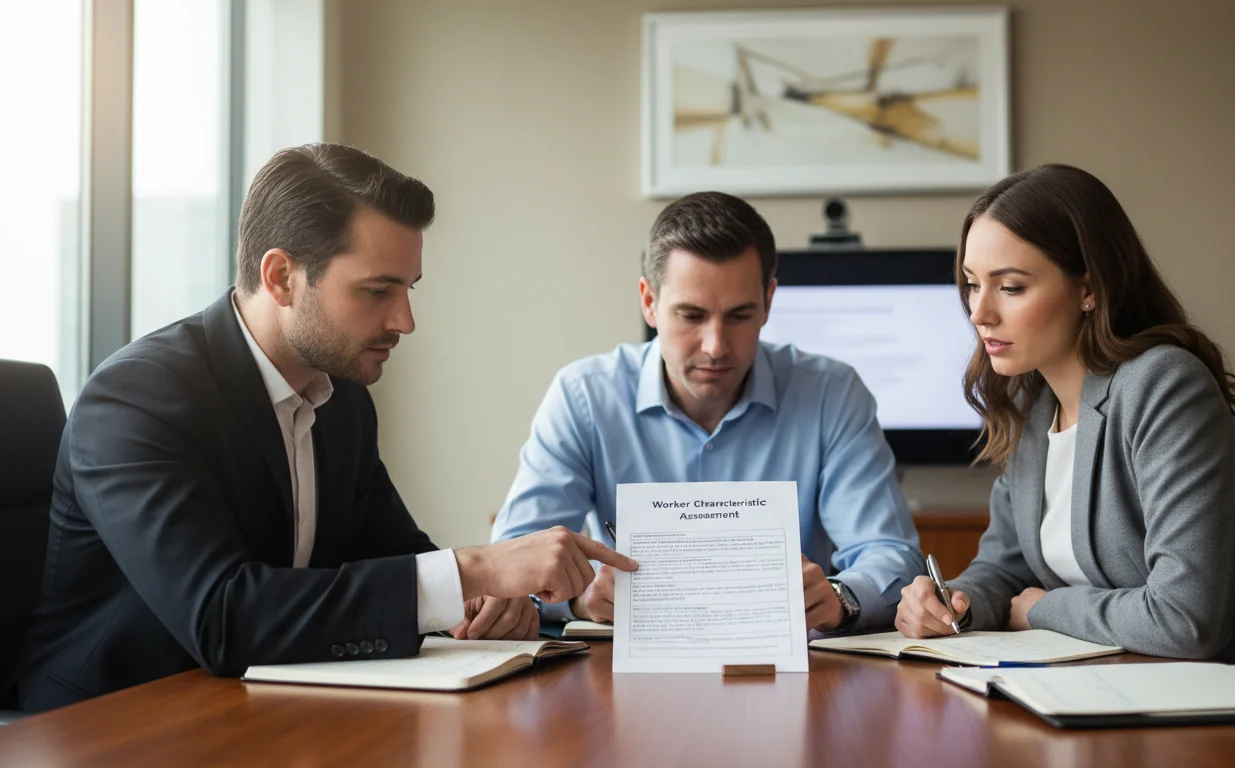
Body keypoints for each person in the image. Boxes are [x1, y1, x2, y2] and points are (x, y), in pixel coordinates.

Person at [17, 143, 634, 713]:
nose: (406, 320)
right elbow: (223, 617)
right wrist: (473, 570)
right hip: (113, 724)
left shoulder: (341, 400)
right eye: (377, 291)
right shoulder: (135, 400)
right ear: (282, 276)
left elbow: (401, 560)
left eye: (409, 289)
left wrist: (481, 604)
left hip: (266, 709)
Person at [895, 164, 1235, 673]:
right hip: (1111, 687)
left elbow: (1187, 619)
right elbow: (1004, 568)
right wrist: (955, 604)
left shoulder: (1166, 385)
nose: (979, 313)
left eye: (1012, 287)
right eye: (972, 285)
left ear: (1088, 289)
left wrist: (1044, 610)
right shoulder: (1030, 404)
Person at [491, 191, 922, 633]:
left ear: (769, 302)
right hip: (623, 670)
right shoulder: (584, 397)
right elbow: (510, 562)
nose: (715, 346)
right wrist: (579, 601)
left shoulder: (832, 394)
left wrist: (842, 597)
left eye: (739, 316)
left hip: (792, 671)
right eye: (691, 315)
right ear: (648, 302)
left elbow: (890, 555)